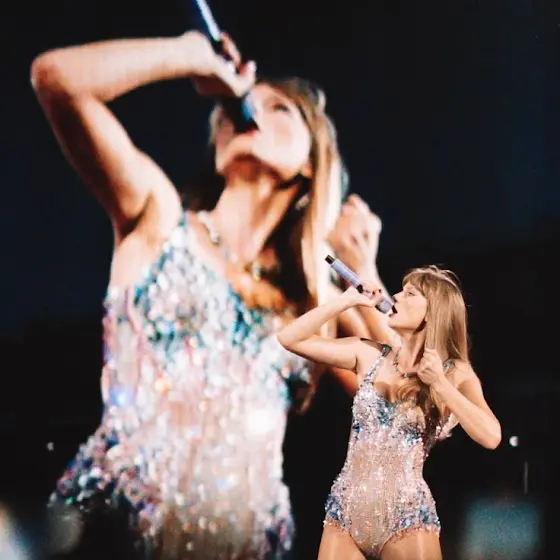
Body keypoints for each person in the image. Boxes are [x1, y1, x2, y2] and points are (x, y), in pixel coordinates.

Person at [31, 29, 389, 559]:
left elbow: (409, 398)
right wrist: (189, 55)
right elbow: (57, 80)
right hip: (108, 538)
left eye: (279, 109)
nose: (249, 109)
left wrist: (365, 271)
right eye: (239, 103)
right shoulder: (159, 218)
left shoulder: (312, 304)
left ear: (312, 162)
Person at [277, 266, 502, 560]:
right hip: (345, 513)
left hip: (405, 519)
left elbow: (491, 436)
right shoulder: (368, 354)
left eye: (410, 294)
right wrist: (346, 301)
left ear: (431, 313)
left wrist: (441, 385)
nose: (395, 296)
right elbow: (289, 338)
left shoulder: (455, 372)